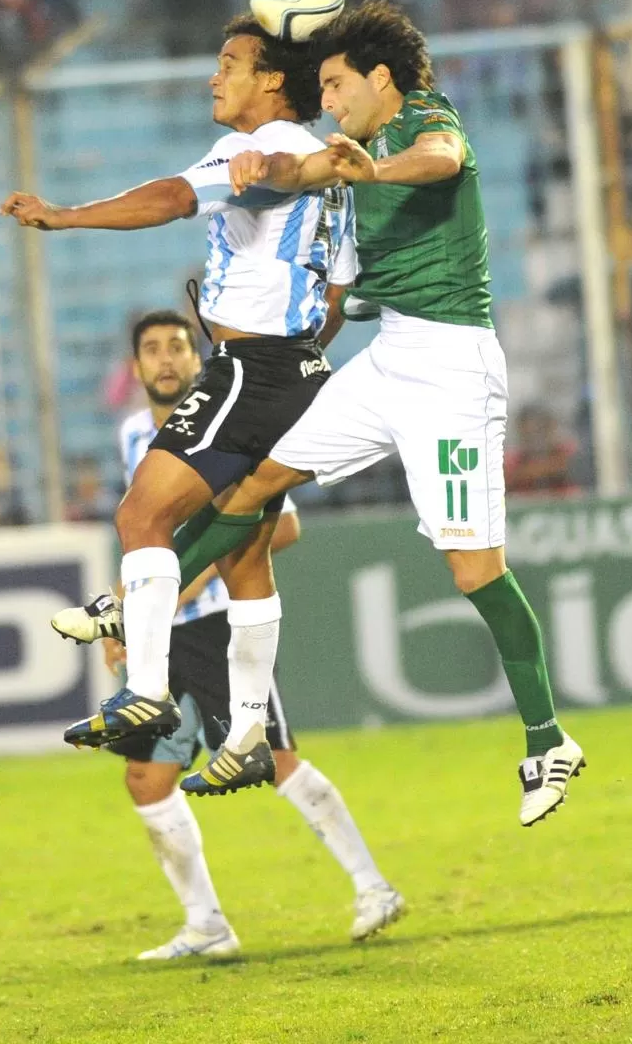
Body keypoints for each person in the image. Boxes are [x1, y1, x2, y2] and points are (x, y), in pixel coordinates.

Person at [175, 0, 585, 827]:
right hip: (391, 354)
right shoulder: (349, 156)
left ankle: (548, 740)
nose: (327, 102)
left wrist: (370, 171)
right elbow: (345, 255)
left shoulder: (428, 124)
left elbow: (440, 161)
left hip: (452, 372)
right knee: (259, 478)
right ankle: (145, 593)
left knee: (474, 570)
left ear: (380, 79)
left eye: (335, 84)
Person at [0, 15, 357, 780]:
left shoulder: (258, 149)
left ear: (270, 82)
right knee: (247, 557)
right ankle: (248, 734)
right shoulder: (332, 171)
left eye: (228, 62)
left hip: (251, 367)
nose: (213, 76)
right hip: (301, 368)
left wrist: (65, 216)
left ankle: (148, 691)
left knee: (142, 514)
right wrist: (295, 358)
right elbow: (336, 298)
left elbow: (168, 197)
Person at [91, 309, 404, 958]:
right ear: (136, 368)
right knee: (147, 782)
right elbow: (148, 542)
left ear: (197, 359)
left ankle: (375, 887)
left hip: (211, 627)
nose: (167, 359)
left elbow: (282, 527)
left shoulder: (228, 428)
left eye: (178, 346)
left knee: (276, 759)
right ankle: (207, 925)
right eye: (152, 350)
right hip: (160, 638)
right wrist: (124, 619)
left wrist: (197, 575)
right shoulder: (130, 439)